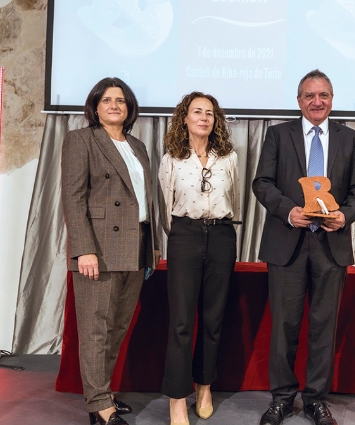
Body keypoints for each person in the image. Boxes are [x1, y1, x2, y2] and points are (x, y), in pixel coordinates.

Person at [252, 69, 355, 425]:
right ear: (299, 100)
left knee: (323, 325)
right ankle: (282, 398)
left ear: (332, 99)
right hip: (287, 241)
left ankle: (316, 399)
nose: (317, 102)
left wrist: (344, 216)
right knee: (284, 325)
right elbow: (262, 183)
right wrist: (289, 211)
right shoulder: (276, 134)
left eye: (324, 96)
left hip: (330, 244)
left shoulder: (350, 138)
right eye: (309, 96)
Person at [61, 77, 160, 425]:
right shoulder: (81, 141)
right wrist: (83, 249)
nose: (114, 105)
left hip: (136, 247)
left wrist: (154, 247)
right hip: (99, 250)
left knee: (117, 327)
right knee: (95, 330)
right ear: (95, 106)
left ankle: (102, 393)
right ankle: (99, 406)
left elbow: (147, 201)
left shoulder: (138, 146)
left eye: (121, 100)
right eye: (107, 100)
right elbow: (73, 199)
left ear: (130, 107)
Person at [158, 92, 241, 425]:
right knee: (181, 322)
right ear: (185, 118)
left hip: (221, 236)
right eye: (197, 112)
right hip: (185, 236)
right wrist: (180, 234)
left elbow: (234, 198)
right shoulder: (172, 158)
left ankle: (204, 386)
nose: (204, 117)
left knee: (213, 318)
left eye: (210, 112)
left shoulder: (229, 157)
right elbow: (165, 206)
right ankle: (177, 399)